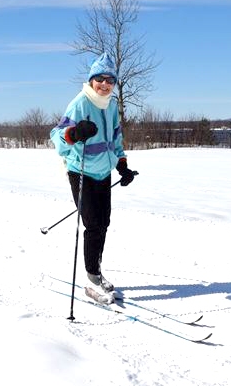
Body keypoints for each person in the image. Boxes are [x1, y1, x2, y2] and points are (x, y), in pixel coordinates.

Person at [50, 52, 136, 300]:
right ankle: (92, 275)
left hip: (103, 173)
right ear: (91, 80)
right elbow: (57, 138)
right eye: (100, 79)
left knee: (104, 223)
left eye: (110, 80)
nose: (105, 84)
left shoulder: (110, 105)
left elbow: (116, 140)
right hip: (82, 172)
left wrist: (122, 166)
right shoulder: (80, 103)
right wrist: (75, 133)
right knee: (93, 224)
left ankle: (96, 270)